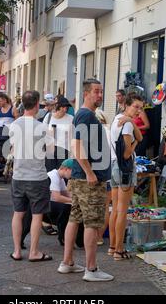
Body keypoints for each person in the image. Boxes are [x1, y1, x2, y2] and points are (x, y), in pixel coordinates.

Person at [58, 78, 113, 282]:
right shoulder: (85, 115)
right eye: (96, 92)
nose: (100, 95)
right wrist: (90, 172)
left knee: (75, 218)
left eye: (101, 91)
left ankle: (67, 262)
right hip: (89, 180)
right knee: (92, 222)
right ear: (86, 93)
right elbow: (77, 145)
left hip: (81, 179)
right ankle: (91, 269)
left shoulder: (84, 115)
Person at [9, 90, 52, 262]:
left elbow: (12, 147)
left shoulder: (14, 125)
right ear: (36, 105)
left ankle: (17, 251)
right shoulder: (41, 127)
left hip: (18, 175)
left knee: (18, 213)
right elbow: (50, 151)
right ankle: (34, 252)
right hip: (37, 177)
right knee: (36, 215)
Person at [109, 94, 144, 261]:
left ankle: (112, 247)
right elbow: (127, 152)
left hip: (114, 166)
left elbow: (141, 136)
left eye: (141, 107)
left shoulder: (118, 119)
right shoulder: (128, 125)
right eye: (136, 107)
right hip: (125, 167)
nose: (139, 111)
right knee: (122, 211)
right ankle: (119, 250)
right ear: (127, 106)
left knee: (115, 209)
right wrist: (136, 143)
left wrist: (130, 121)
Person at [43, 97, 73, 171]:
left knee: (62, 175)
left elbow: (72, 136)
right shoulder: (49, 117)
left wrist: (72, 153)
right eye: (63, 107)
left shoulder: (70, 118)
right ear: (57, 106)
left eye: (66, 107)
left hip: (64, 150)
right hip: (50, 150)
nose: (65, 109)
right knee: (50, 174)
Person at [95, 109, 111, 246]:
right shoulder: (109, 130)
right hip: (110, 170)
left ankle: (92, 236)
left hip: (97, 170)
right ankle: (99, 237)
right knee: (106, 206)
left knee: (94, 205)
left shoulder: (94, 130)